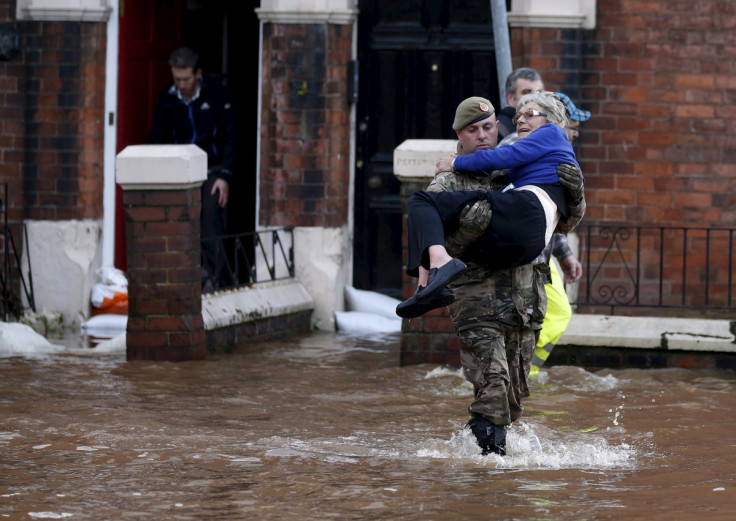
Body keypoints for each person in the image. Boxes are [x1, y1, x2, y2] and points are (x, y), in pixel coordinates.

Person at [397, 96, 586, 456]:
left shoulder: (516, 169)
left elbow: (556, 222)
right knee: (494, 387)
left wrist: (575, 195)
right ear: (460, 135)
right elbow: (438, 237)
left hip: (525, 302)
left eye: (488, 127)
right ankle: (488, 474)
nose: (483, 136)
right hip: (477, 301)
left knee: (514, 397)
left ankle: (486, 461)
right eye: (473, 130)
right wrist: (472, 225)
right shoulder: (449, 182)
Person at [397, 91, 580, 318]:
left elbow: (502, 157)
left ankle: (428, 279)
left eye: (529, 114)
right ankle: (427, 284)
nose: (521, 119)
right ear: (460, 134)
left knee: (420, 201)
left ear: (553, 120)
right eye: (518, 117)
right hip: (487, 299)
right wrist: (469, 229)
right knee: (429, 211)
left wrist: (455, 162)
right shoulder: (534, 157)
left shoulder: (549, 133)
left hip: (522, 299)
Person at [149, 46, 239, 290]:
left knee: (210, 218)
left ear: (198, 74)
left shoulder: (216, 95)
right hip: (179, 171)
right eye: (177, 79)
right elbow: (158, 138)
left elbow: (231, 137)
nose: (181, 85)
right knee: (177, 222)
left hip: (212, 169)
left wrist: (225, 176)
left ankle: (217, 280)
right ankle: (181, 280)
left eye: (186, 79)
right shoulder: (167, 100)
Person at [530, 92, 590, 375]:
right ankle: (516, 376)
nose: (575, 134)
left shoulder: (558, 155)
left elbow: (554, 215)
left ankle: (525, 375)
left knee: (556, 315)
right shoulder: (523, 149)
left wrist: (564, 255)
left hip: (540, 259)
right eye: (573, 127)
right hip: (523, 260)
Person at [497, 67, 545, 142]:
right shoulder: (500, 131)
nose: (534, 97)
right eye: (526, 92)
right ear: (511, 98)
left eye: (538, 92)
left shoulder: (545, 124)